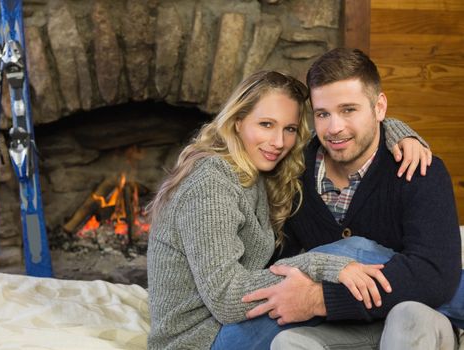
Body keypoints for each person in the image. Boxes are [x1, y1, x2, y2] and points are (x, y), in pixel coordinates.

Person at [146, 70, 430, 349]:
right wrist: (324, 266)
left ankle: (429, 304)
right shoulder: (211, 180)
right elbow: (227, 298)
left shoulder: (259, 169)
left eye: (290, 129)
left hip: (228, 329)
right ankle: (442, 294)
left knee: (348, 298)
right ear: (237, 122)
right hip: (201, 341)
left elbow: (345, 136)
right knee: (351, 251)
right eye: (266, 124)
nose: (279, 142)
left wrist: (395, 131)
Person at [243, 48, 462, 349]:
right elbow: (281, 263)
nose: (335, 128)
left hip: (417, 312)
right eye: (323, 114)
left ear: (379, 107)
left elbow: (433, 275)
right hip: (342, 329)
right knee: (288, 342)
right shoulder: (291, 174)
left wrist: (322, 299)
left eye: (349, 110)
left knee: (407, 315)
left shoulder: (420, 170)